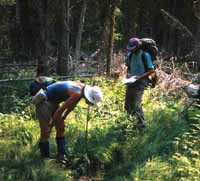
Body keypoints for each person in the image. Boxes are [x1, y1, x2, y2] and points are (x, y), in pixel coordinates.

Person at [31, 80, 103, 162]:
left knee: (61, 128)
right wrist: (51, 126)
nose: (90, 103)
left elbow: (71, 106)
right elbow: (59, 112)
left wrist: (64, 117)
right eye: (91, 101)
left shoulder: (81, 90)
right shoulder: (77, 93)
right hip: (44, 101)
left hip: (55, 102)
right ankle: (45, 160)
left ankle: (61, 156)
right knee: (46, 131)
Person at [124, 37, 154, 129]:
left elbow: (151, 70)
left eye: (133, 48)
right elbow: (128, 67)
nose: (132, 50)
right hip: (131, 81)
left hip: (141, 82)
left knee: (137, 104)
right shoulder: (130, 55)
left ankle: (141, 126)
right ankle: (131, 123)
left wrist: (140, 77)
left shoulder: (145, 55)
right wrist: (128, 75)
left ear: (138, 46)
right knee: (128, 104)